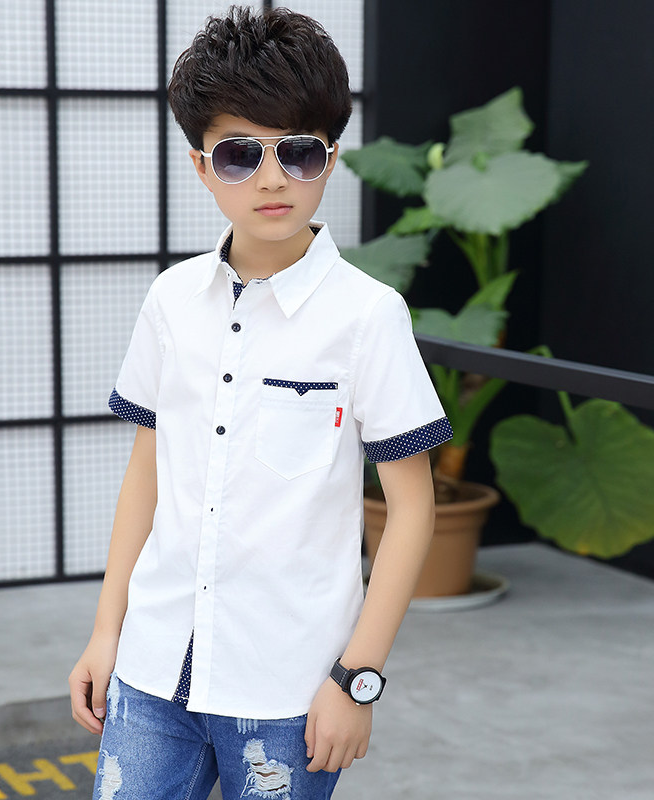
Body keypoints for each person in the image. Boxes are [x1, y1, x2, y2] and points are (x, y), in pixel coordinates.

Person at [69, 6, 452, 799]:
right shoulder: (172, 300)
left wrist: (357, 680)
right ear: (201, 166)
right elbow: (147, 473)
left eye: (298, 151)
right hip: (152, 669)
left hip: (289, 690)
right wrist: (108, 632)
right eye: (240, 154)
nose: (272, 178)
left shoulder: (368, 316)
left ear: (330, 160)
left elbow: (413, 508)